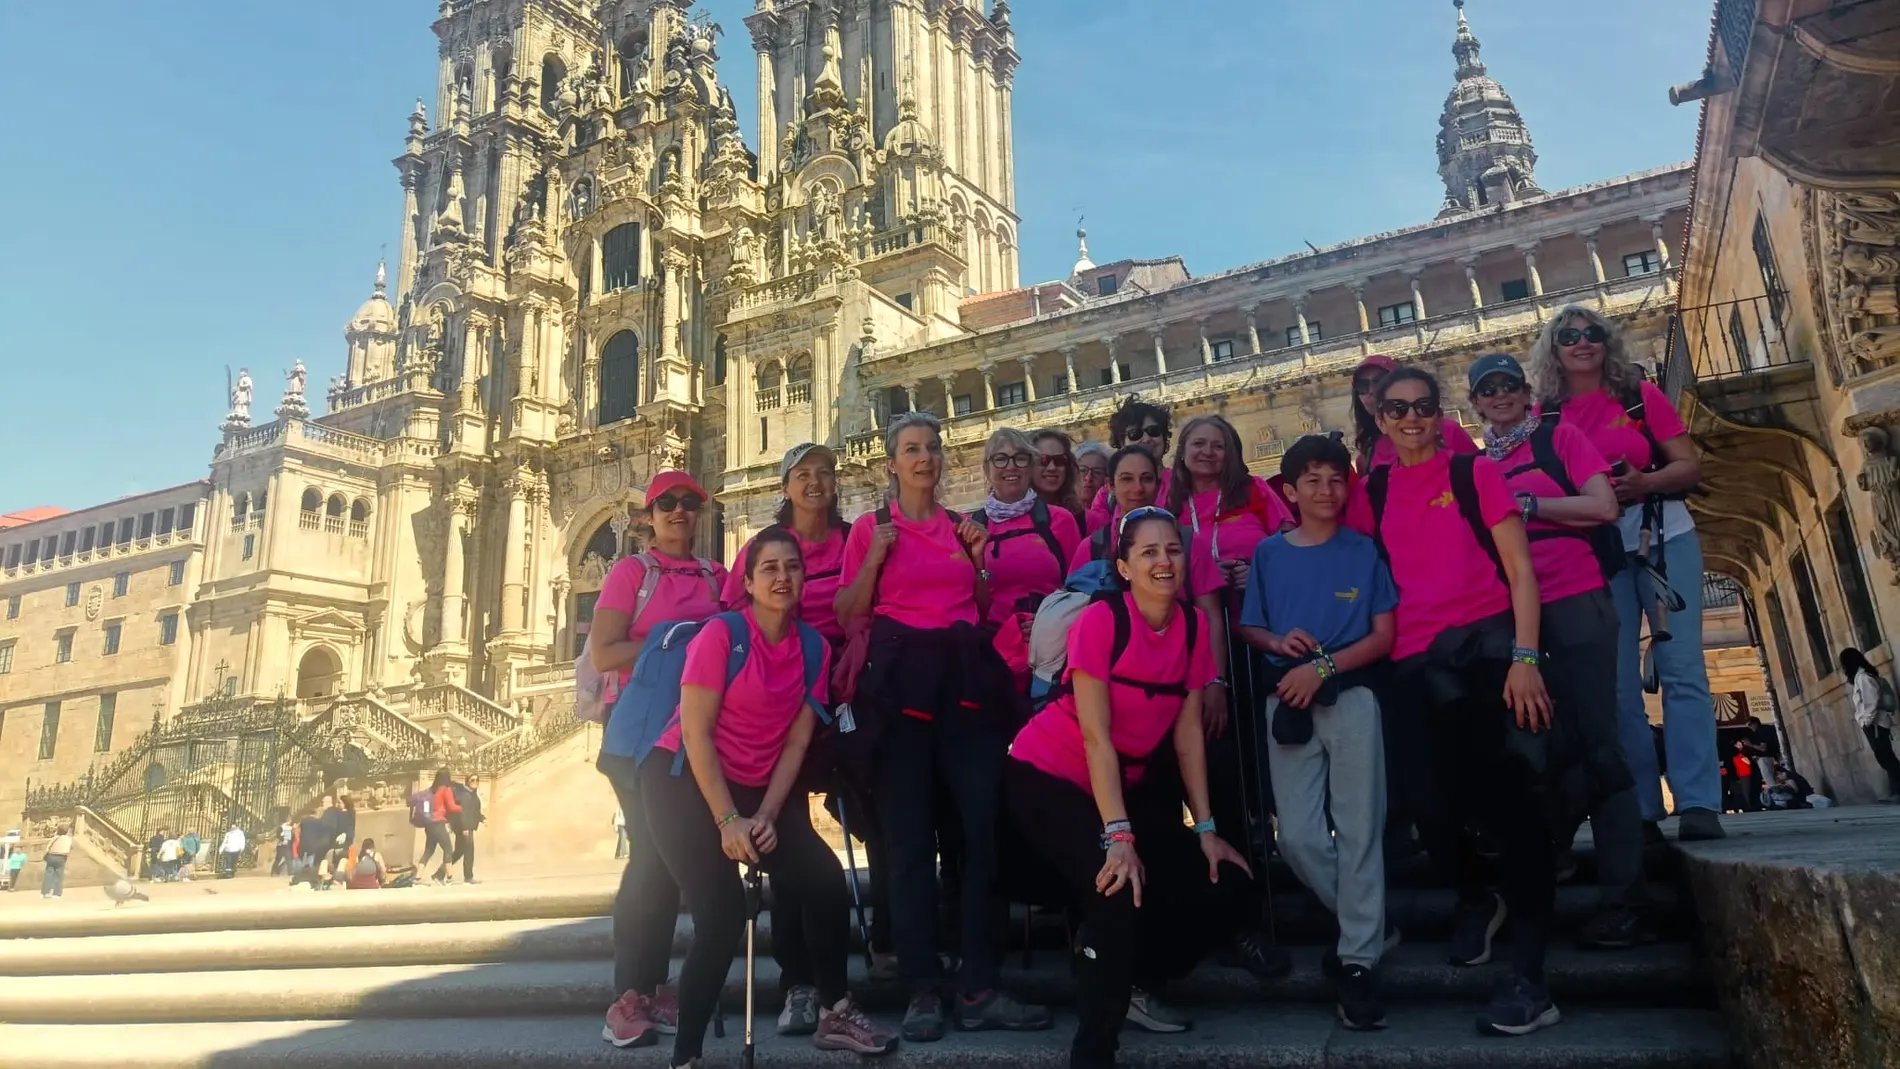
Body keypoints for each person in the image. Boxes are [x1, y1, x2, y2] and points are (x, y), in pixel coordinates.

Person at [627, 528, 899, 1063]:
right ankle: (686, 1056)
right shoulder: (720, 635)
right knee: (722, 913)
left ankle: (834, 1010)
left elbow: (797, 740)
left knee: (824, 882)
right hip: (682, 782)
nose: (782, 577)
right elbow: (695, 733)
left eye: (792, 567)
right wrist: (728, 819)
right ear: (747, 583)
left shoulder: (815, 649)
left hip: (759, 784)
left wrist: (770, 814)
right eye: (769, 568)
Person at [1353, 367, 1562, 1036]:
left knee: (1516, 806)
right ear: (1379, 418)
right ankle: (1478, 894)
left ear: (1438, 413)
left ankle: (1531, 975)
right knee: (1429, 808)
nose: (1410, 418)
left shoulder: (1473, 473)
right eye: (1396, 408)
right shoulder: (1374, 488)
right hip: (1411, 666)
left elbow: (1521, 569)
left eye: (1421, 406)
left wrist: (1526, 659)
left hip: (1487, 656)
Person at [1006, 508, 1256, 1068]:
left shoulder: (1191, 625)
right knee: (1115, 886)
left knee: (1226, 882)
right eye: (1147, 552)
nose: (1163, 561)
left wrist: (1208, 829)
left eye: (1172, 550)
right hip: (1049, 775)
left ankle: (1132, 978)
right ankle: (1093, 1053)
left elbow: (1189, 735)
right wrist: (1118, 833)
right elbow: (1095, 736)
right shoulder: (1100, 621)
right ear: (1122, 566)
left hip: (1124, 779)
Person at [835, 412, 1051, 1042]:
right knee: (906, 848)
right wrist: (874, 558)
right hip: (900, 692)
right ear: (891, 463)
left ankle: (981, 984)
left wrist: (981, 567)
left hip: (962, 686)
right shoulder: (872, 531)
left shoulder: (965, 528)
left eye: (931, 448)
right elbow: (849, 613)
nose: (924, 457)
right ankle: (923, 989)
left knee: (980, 837)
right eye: (911, 449)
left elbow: (977, 606)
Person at [1466, 352, 1649, 951]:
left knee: (1599, 742)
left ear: (1525, 392)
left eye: (1508, 386)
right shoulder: (1473, 464)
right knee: (1538, 746)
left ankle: (1624, 899)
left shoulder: (1559, 438)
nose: (1499, 396)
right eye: (1487, 390)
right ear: (1475, 403)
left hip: (1575, 602)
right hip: (1514, 618)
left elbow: (1603, 506)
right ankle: (1557, 865)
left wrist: (1528, 506)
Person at [1530, 305, 1722, 842]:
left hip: (1665, 538)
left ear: (1606, 341)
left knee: (1682, 669)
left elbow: (1689, 465)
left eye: (1592, 333)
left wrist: (1645, 484)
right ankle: (1641, 807)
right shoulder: (1544, 416)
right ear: (1554, 348)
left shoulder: (1637, 394)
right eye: (1569, 336)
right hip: (1595, 551)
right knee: (1615, 686)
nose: (1582, 342)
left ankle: (1700, 802)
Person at [1237, 434, 1397, 1030]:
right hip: (1288, 698)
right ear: (1290, 491)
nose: (1326, 490)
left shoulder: (1364, 550)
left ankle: (1358, 960)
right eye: (1313, 480)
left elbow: (1383, 635)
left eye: (1335, 479)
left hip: (1350, 694)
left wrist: (1323, 665)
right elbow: (1252, 625)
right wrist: (1281, 645)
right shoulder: (1270, 555)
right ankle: (1371, 923)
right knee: (1298, 836)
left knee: (1359, 828)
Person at [594, 471, 728, 1046]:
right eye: (666, 504)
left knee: (675, 862)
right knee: (650, 857)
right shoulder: (631, 573)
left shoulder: (718, 576)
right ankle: (628, 996)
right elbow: (603, 651)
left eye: (689, 504)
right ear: (648, 515)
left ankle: (654, 988)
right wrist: (675, 637)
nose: (679, 512)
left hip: (696, 738)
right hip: (638, 737)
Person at [976, 428, 1083, 631]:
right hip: (994, 645)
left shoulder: (1060, 520)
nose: (1011, 466)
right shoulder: (974, 526)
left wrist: (1047, 620)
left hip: (1050, 640)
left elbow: (1078, 589)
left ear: (1031, 465)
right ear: (986, 467)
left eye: (1020, 458)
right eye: (1001, 459)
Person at [1348, 354, 1478, 475]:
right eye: (1362, 385)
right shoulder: (1366, 457)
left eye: (1380, 381)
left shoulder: (1448, 431)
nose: (1371, 391)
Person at [1085, 397, 1175, 535]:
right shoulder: (1106, 495)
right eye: (1135, 434)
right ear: (1121, 442)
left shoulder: (1181, 481)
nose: (1146, 439)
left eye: (1153, 431)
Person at [1841, 648, 1900, 799]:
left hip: (1876, 724)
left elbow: (1871, 701)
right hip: (1874, 724)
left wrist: (1867, 721)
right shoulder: (1861, 677)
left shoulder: (1863, 678)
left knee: (1886, 757)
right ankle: (1895, 791)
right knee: (1885, 757)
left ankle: (1897, 791)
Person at [1032, 429, 1086, 524]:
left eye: (1059, 460)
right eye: (1043, 460)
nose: (1052, 467)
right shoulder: (1012, 517)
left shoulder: (1085, 519)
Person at [416, 771, 460, 883]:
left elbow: (426, 808)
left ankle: (417, 877)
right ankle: (450, 877)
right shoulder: (445, 789)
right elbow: (451, 807)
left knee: (428, 851)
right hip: (438, 823)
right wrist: (463, 808)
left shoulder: (430, 791)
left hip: (429, 825)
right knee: (448, 848)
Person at [451, 776, 484, 885]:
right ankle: (468, 877)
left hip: (467, 827)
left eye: (477, 780)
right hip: (465, 827)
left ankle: (439, 873)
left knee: (459, 852)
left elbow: (473, 810)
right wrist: (464, 827)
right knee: (469, 851)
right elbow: (463, 812)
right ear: (467, 782)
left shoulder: (472, 794)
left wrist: (481, 818)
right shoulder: (465, 795)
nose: (475, 782)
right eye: (472, 780)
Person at [1074, 442, 1111, 528]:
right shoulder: (1059, 510)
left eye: (1097, 472)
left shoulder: (1114, 512)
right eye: (1082, 470)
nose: (1088, 478)